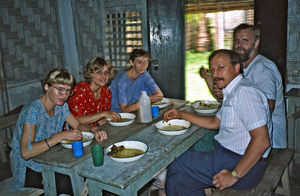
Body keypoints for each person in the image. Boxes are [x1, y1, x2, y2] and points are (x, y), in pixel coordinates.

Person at [164, 49, 272, 195]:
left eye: (221, 68)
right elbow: (215, 122)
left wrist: (233, 175)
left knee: (176, 163)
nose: (215, 75)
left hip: (241, 164)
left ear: (236, 68)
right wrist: (181, 114)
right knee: (181, 179)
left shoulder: (244, 93)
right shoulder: (233, 91)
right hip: (229, 156)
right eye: (212, 69)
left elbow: (262, 141)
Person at [9, 68, 107, 194]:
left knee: (90, 174)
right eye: (59, 89)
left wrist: (93, 130)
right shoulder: (33, 111)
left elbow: (77, 125)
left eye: (67, 91)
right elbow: (26, 152)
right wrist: (60, 136)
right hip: (29, 168)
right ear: (46, 86)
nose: (64, 95)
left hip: (51, 160)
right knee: (74, 183)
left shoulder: (61, 106)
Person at [200, 23, 286, 149]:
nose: (239, 45)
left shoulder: (263, 69)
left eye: (245, 41)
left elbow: (268, 106)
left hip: (268, 144)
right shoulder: (241, 68)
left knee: (201, 141)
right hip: (245, 134)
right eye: (236, 41)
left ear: (256, 43)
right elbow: (228, 100)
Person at [67, 57, 121, 128]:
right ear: (90, 74)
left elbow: (100, 121)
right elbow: (76, 121)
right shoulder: (79, 90)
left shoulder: (106, 91)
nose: (103, 76)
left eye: (106, 72)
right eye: (99, 72)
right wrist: (102, 114)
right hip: (74, 134)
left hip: (95, 130)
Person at [110, 48, 163, 113]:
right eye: (139, 62)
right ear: (131, 63)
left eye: (146, 62)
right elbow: (124, 110)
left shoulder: (144, 74)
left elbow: (160, 95)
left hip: (136, 111)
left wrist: (146, 99)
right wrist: (147, 99)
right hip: (118, 115)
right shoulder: (121, 80)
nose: (143, 65)